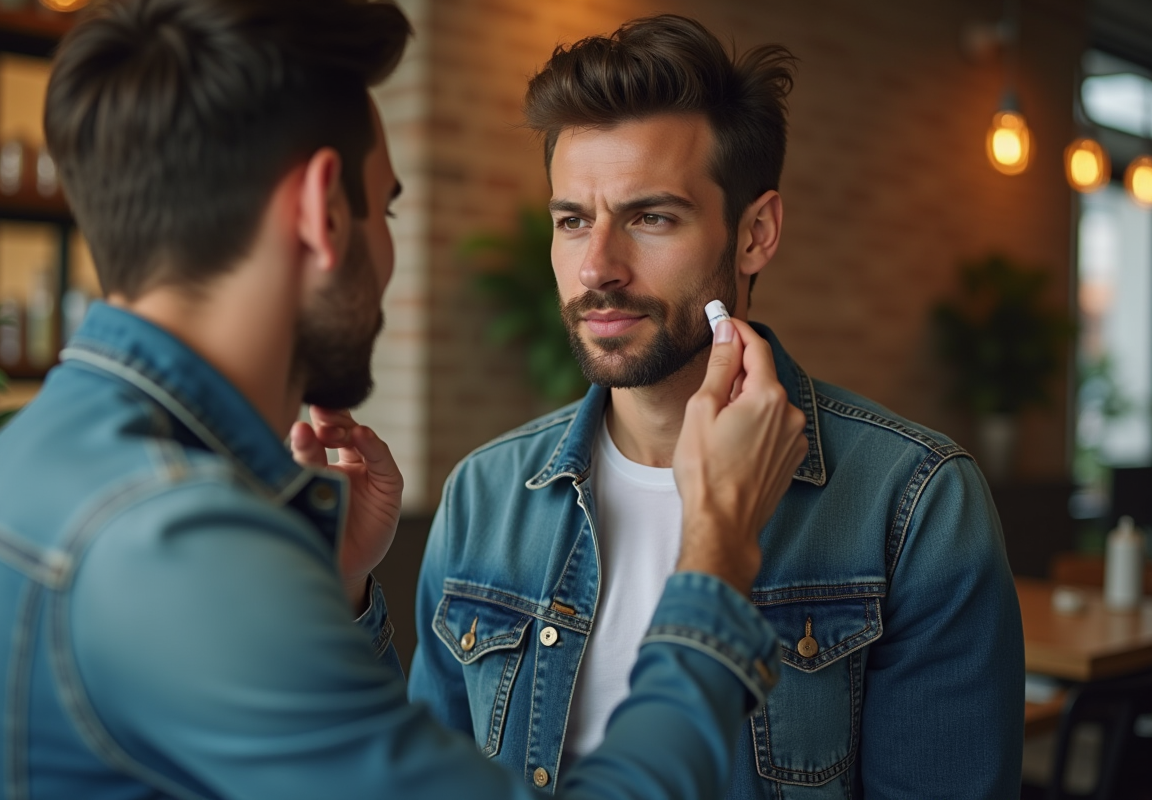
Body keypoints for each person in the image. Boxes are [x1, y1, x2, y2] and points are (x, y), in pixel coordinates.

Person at [0, 1, 813, 798]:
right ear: (324, 212)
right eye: (387, 209)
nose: (596, 265)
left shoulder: (20, 466)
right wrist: (715, 556)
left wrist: (334, 595)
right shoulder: (174, 538)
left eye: (652, 217)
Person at [409, 14, 1025, 800]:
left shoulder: (915, 504)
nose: (597, 267)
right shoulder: (482, 496)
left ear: (755, 233)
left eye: (651, 217)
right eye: (573, 221)